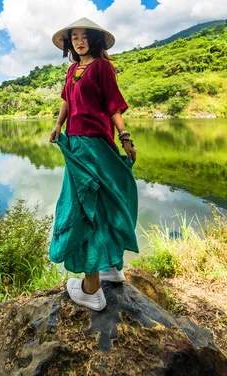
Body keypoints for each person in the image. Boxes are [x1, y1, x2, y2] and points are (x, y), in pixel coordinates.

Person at [49, 17, 139, 311]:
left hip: (95, 144)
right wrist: (57, 126)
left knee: (86, 206)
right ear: (69, 43)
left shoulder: (102, 67)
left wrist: (124, 136)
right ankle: (112, 270)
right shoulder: (73, 69)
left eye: (84, 36)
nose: (78, 40)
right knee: (98, 202)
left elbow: (113, 104)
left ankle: (91, 289)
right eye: (73, 36)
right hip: (76, 143)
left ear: (95, 40)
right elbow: (66, 100)